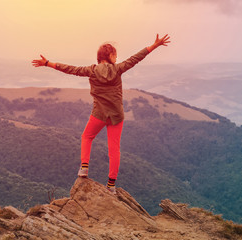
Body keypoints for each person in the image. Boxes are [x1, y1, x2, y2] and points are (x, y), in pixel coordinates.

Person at [32, 34, 170, 194]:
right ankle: (111, 185)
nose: (117, 58)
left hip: (99, 114)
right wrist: (154, 45)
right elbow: (136, 58)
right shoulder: (118, 69)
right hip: (117, 116)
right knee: (114, 150)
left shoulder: (91, 70)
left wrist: (48, 63)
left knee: (87, 137)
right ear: (109, 56)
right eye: (115, 55)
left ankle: (84, 167)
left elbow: (70, 69)